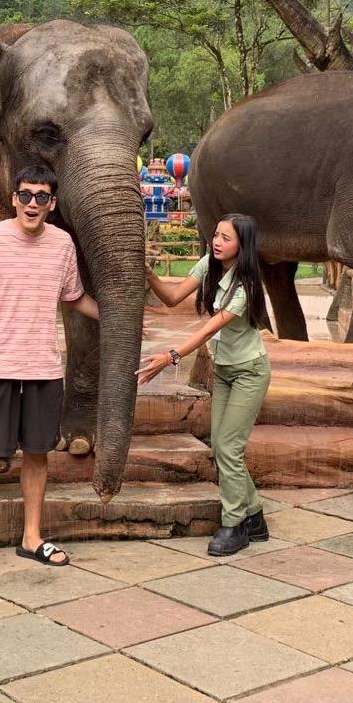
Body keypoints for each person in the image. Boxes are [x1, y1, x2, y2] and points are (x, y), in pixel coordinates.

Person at [0, 166, 100, 579]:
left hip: (44, 367)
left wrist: (116, 315)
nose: (33, 203)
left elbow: (74, 297)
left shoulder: (62, 244)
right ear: (14, 198)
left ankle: (31, 537)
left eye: (42, 196)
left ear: (52, 204)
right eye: (26, 195)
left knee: (37, 453)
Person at [138, 213, 273, 555]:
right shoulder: (208, 265)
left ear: (242, 246)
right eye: (215, 235)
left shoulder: (247, 285)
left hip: (249, 371)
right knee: (220, 444)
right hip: (225, 371)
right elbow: (171, 298)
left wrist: (170, 356)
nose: (216, 242)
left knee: (229, 448)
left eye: (226, 238)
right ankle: (254, 515)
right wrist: (149, 273)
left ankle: (234, 525)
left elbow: (209, 328)